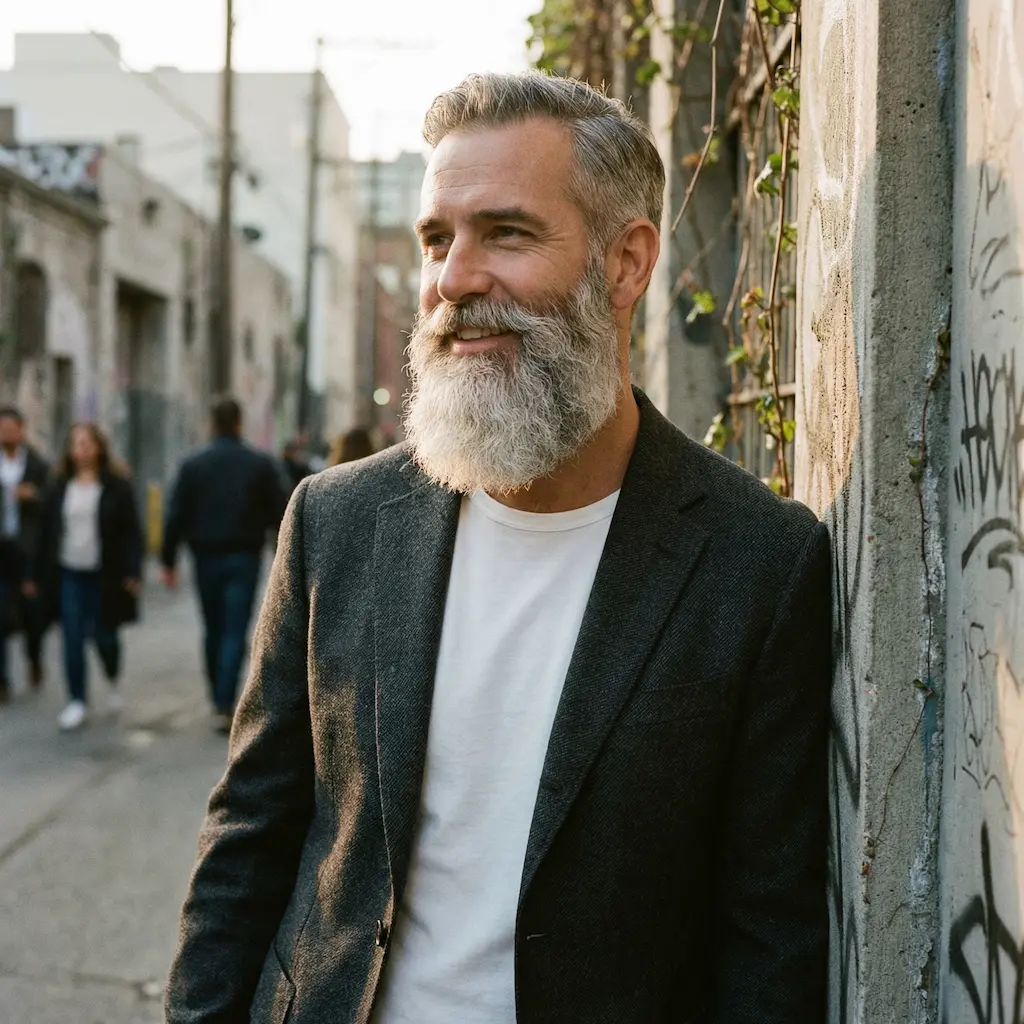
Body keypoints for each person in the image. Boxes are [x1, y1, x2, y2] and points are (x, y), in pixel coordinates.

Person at [167, 72, 831, 1023]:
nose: (454, 281)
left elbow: (768, 937)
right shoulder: (336, 523)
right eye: (438, 239)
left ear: (626, 264)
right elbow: (250, 837)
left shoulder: (757, 563)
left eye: (506, 233)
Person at [161, 396, 287, 734]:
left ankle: (218, 694)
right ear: (238, 423)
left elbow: (175, 514)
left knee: (213, 628)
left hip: (205, 557)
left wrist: (168, 560)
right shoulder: (258, 464)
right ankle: (223, 702)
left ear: (212, 423)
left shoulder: (193, 465)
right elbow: (281, 511)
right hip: (243, 557)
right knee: (234, 629)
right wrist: (283, 555)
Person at [27, 423, 142, 732]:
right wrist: (33, 574)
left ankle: (113, 673)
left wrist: (133, 570)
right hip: (69, 575)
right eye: (76, 443)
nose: (82, 449)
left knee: (105, 637)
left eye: (88, 443)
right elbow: (44, 533)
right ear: (69, 449)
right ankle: (77, 700)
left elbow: (132, 531)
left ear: (99, 447)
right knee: (72, 637)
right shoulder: (59, 485)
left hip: (105, 575)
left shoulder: (117, 484)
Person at [0, 407, 50, 703]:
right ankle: (2, 681)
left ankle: (34, 657)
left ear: (21, 431)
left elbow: (51, 502)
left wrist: (34, 496)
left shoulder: (36, 465)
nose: (5, 434)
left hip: (27, 552)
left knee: (32, 615)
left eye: (10, 428)